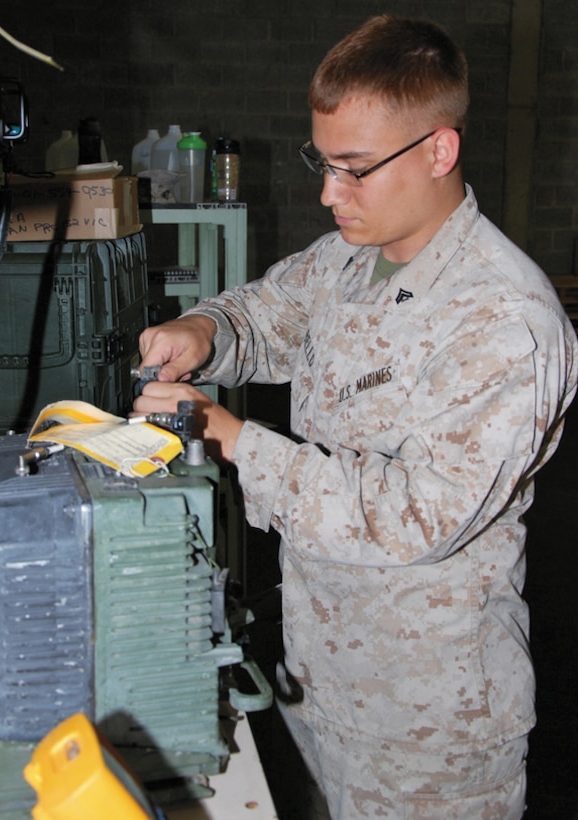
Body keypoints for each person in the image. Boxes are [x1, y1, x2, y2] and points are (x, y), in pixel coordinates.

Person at [135, 15, 578, 818]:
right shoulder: (350, 256)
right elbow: (271, 312)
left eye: (354, 169)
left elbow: (416, 515)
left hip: (430, 724)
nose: (327, 193)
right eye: (323, 162)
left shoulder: (503, 321)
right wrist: (202, 332)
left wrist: (233, 440)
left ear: (438, 151)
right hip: (323, 676)